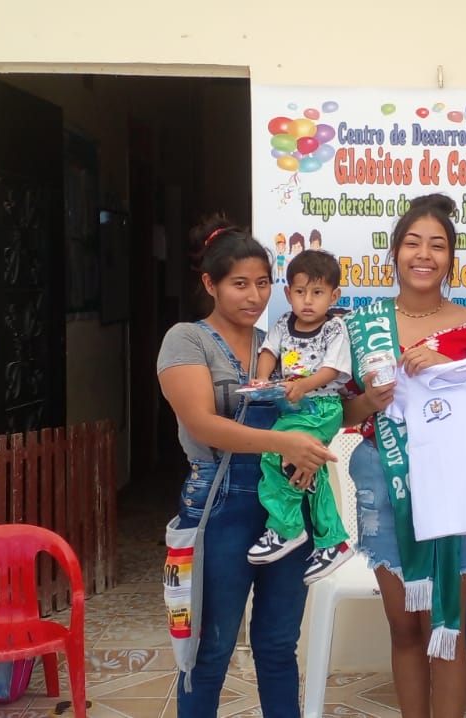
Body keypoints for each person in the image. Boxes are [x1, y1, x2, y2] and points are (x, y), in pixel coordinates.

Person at [158, 218, 338, 717]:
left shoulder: (280, 341)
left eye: (263, 283)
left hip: (286, 508)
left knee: (278, 645)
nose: (255, 296)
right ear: (210, 284)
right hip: (220, 505)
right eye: (240, 283)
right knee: (210, 647)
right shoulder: (186, 340)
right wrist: (284, 442)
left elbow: (318, 406)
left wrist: (370, 401)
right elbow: (202, 424)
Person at [341, 193, 466, 717]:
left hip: (456, 485)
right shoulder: (361, 325)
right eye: (412, 243)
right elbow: (341, 413)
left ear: (451, 257)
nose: (424, 254)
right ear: (395, 253)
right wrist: (370, 400)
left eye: (437, 245)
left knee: (446, 627)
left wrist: (446, 373)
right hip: (384, 483)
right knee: (405, 626)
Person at [248, 249, 353, 581]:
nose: (308, 300)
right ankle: (333, 542)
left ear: (334, 295)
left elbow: (332, 369)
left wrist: (303, 385)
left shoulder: (334, 328)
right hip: (295, 409)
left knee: (274, 453)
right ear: (288, 293)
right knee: (309, 473)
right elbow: (268, 351)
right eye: (300, 291)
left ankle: (286, 527)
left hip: (322, 408)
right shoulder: (283, 323)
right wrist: (262, 379)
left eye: (317, 292)